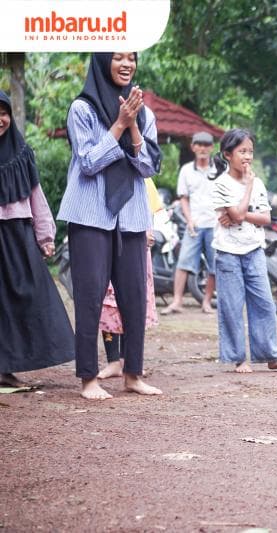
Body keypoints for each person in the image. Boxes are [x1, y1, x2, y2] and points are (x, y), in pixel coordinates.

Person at [57, 52, 163, 399]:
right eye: (117, 57)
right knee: (89, 297)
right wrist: (118, 123)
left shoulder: (144, 112)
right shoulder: (81, 108)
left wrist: (133, 123)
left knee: (135, 298)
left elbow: (148, 167)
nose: (126, 63)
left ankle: (133, 374)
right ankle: (89, 379)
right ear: (103, 62)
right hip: (90, 215)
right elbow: (88, 162)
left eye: (131, 58)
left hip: (132, 214)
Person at [0, 90, 75, 387]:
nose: (0, 119)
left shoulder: (22, 154)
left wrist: (45, 236)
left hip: (18, 236)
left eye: (4, 112)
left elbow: (36, 196)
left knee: (27, 296)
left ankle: (11, 364)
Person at [210, 128, 277, 373]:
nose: (247, 157)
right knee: (232, 307)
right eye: (242, 151)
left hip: (254, 249)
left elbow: (265, 217)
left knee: (264, 302)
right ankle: (238, 359)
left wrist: (239, 215)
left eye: (250, 152)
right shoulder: (221, 185)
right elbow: (235, 215)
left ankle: (270, 355)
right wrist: (245, 192)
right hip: (227, 253)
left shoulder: (259, 183)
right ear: (227, 154)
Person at [97, 177, 162, 379]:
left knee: (132, 305)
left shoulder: (145, 181)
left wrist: (150, 233)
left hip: (137, 249)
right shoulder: (105, 177)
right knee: (108, 307)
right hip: (110, 247)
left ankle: (128, 360)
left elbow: (153, 214)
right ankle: (113, 361)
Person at [161, 131, 217, 315]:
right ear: (193, 147)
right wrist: (189, 219)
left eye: (206, 145)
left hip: (215, 225)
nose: (202, 148)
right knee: (183, 262)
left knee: (214, 266)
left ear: (211, 148)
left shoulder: (219, 169)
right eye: (198, 145)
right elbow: (183, 198)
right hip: (194, 224)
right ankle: (177, 302)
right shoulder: (186, 170)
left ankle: (206, 302)